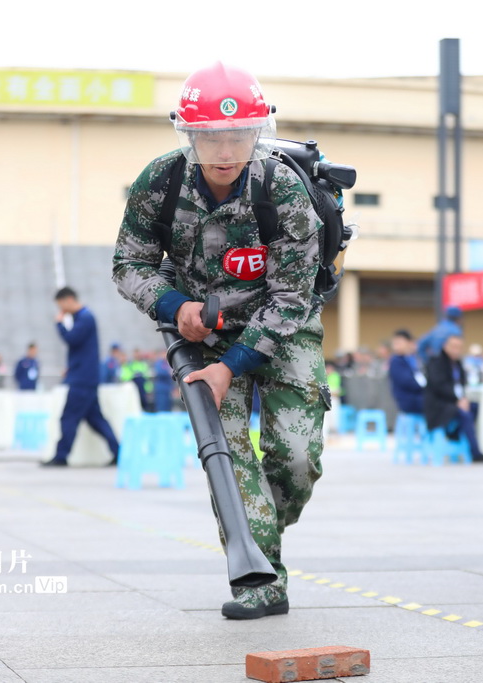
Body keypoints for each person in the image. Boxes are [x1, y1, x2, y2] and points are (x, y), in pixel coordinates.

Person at [112, 62, 328, 620]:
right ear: (188, 134)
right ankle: (260, 580)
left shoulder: (280, 189)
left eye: (239, 135)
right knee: (227, 460)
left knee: (297, 460)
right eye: (210, 137)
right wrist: (173, 306)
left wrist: (235, 362)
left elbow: (290, 296)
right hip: (199, 332)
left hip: (285, 327)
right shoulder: (158, 183)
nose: (226, 150)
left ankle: (259, 539)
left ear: (259, 132)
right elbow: (129, 263)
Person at [43, 287, 120, 467]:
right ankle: (119, 452)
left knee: (69, 417)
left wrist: (59, 324)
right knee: (96, 419)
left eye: (61, 305)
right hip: (85, 376)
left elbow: (72, 339)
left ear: (69, 300)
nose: (60, 310)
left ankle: (61, 456)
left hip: (82, 379)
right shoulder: (84, 317)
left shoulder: (85, 317)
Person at [423, 335, 483, 463]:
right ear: (445, 346)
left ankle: (455, 434)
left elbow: (461, 385)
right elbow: (440, 386)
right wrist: (458, 400)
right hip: (439, 405)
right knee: (465, 414)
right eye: (453, 347)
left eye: (459, 347)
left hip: (456, 402)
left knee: (476, 408)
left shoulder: (458, 364)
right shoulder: (436, 362)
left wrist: (462, 399)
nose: (456, 350)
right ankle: (475, 452)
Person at [387, 329, 425, 415]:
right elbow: (408, 382)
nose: (395, 346)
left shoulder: (413, 359)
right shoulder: (396, 361)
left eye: (399, 343)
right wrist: (427, 388)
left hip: (418, 397)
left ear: (410, 343)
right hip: (408, 400)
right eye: (395, 343)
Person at [121, 348, 152, 412]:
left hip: (143, 389)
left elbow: (147, 378)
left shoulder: (143, 365)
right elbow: (125, 377)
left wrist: (149, 389)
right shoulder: (130, 365)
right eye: (135, 354)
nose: (137, 355)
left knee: (145, 405)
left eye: (138, 353)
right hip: (134, 388)